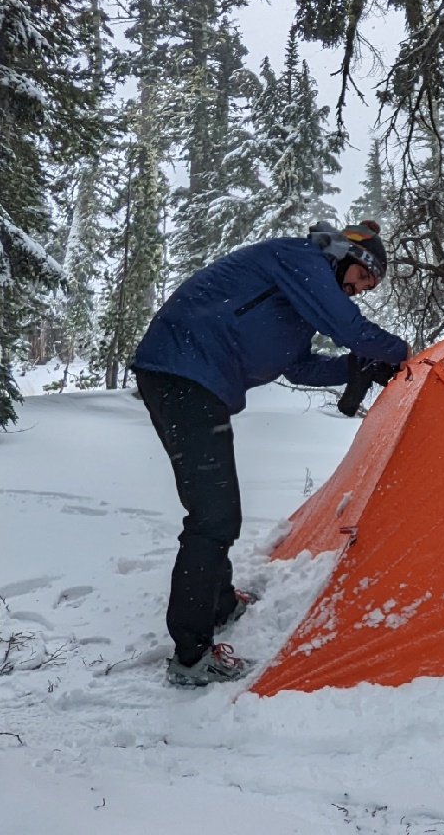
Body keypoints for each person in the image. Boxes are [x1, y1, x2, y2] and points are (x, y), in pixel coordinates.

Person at [132, 221, 409, 687]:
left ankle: (219, 605)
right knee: (213, 516)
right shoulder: (300, 258)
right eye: (363, 280)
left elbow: (299, 365)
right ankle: (192, 654)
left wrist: (355, 366)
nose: (359, 291)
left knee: (218, 509)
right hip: (183, 376)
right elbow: (344, 324)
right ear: (347, 256)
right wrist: (401, 353)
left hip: (197, 385)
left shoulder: (299, 305)